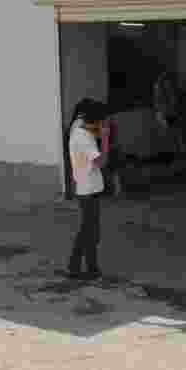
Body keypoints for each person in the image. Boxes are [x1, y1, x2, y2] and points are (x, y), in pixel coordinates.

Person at [68, 99, 109, 280]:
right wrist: (106, 138)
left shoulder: (78, 125)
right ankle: (79, 266)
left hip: (87, 187)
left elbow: (90, 129)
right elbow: (102, 162)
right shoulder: (83, 137)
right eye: (100, 120)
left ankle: (83, 267)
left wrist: (98, 129)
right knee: (89, 231)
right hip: (88, 189)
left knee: (89, 230)